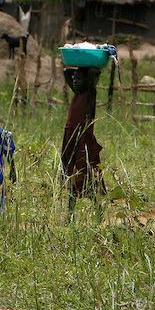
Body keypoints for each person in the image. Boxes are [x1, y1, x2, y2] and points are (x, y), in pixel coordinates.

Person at [62, 67, 106, 214]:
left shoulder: (90, 95)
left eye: (79, 79)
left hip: (83, 140)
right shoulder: (77, 93)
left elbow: (93, 74)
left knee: (85, 174)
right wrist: (74, 70)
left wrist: (91, 72)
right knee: (72, 175)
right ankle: (70, 215)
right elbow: (66, 72)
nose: (75, 81)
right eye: (74, 78)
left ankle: (98, 210)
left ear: (88, 81)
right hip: (70, 139)